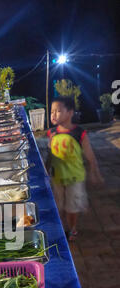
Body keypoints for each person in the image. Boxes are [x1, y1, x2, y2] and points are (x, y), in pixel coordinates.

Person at [46, 96, 104, 241]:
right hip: (57, 177)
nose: (54, 114)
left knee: (72, 207)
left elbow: (89, 154)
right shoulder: (52, 133)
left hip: (74, 178)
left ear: (70, 113)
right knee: (58, 205)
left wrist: (94, 171)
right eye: (52, 111)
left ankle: (72, 229)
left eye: (58, 111)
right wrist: (46, 171)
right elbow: (50, 154)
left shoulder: (79, 133)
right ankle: (61, 229)